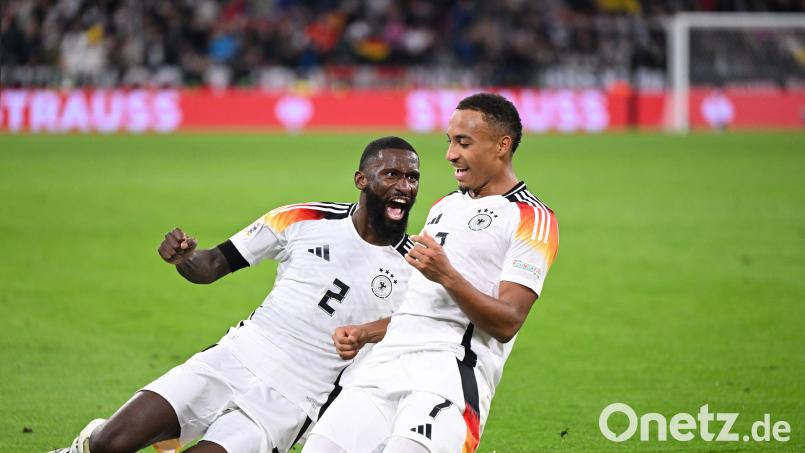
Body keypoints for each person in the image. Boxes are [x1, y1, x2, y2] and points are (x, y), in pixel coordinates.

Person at [50, 136, 421, 453]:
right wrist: (185, 258)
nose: (404, 186)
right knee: (110, 444)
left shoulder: (416, 267)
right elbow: (212, 265)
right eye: (392, 174)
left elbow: (423, 326)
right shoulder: (301, 218)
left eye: (412, 177)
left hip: (293, 399)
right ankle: (86, 443)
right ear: (361, 179)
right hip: (237, 356)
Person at [302, 93, 559, 453]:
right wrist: (365, 332)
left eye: (463, 142)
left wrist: (447, 275)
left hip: (448, 373)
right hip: (384, 366)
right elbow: (420, 306)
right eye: (449, 141)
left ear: (502, 146)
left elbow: (508, 322)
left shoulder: (531, 218)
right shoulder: (444, 206)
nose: (450, 154)